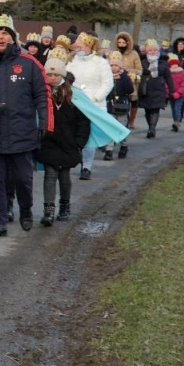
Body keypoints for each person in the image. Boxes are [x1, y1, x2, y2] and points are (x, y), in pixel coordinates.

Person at [0, 13, 51, 238]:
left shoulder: (29, 63)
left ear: (13, 38)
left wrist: (45, 124)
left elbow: (43, 95)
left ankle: (25, 209)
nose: (1, 37)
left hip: (22, 134)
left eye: (5, 33)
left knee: (23, 179)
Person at [34, 58, 89, 226]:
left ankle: (64, 206)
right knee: (50, 175)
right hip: (49, 141)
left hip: (68, 142)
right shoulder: (42, 93)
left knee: (64, 176)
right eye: (49, 74)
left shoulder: (74, 95)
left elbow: (84, 121)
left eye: (55, 74)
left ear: (62, 75)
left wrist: (79, 142)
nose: (52, 78)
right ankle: (48, 210)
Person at [66, 34, 113, 181]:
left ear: (89, 46)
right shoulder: (71, 61)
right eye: (76, 46)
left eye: (81, 46)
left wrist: (95, 98)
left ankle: (86, 166)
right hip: (73, 103)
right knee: (72, 135)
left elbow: (107, 84)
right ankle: (72, 161)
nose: (77, 48)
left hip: (92, 105)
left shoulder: (100, 63)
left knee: (88, 138)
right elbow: (65, 80)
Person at [101, 54, 134, 160]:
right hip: (110, 105)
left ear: (120, 67)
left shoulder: (125, 77)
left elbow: (130, 89)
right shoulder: (107, 77)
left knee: (121, 127)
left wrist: (124, 76)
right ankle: (109, 150)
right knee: (111, 127)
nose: (114, 68)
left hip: (122, 105)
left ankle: (124, 145)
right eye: (112, 65)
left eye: (116, 66)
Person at [112, 32, 143, 129]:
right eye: (119, 42)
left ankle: (131, 120)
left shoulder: (134, 54)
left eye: (123, 43)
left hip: (129, 81)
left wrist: (129, 72)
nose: (121, 45)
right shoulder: (113, 54)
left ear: (128, 43)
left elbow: (139, 70)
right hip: (115, 81)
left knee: (132, 102)